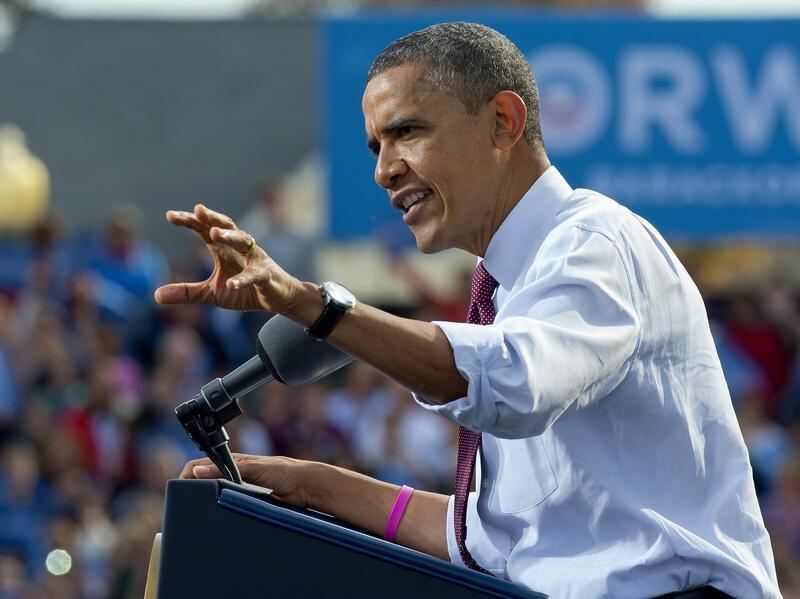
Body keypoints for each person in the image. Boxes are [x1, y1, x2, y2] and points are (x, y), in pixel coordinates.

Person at [157, 23, 780, 598]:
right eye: (376, 146)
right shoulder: (507, 292)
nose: (383, 170)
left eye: (407, 132)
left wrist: (309, 305)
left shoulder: (596, 242)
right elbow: (494, 542)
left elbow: (510, 381)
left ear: (503, 122)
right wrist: (314, 485)